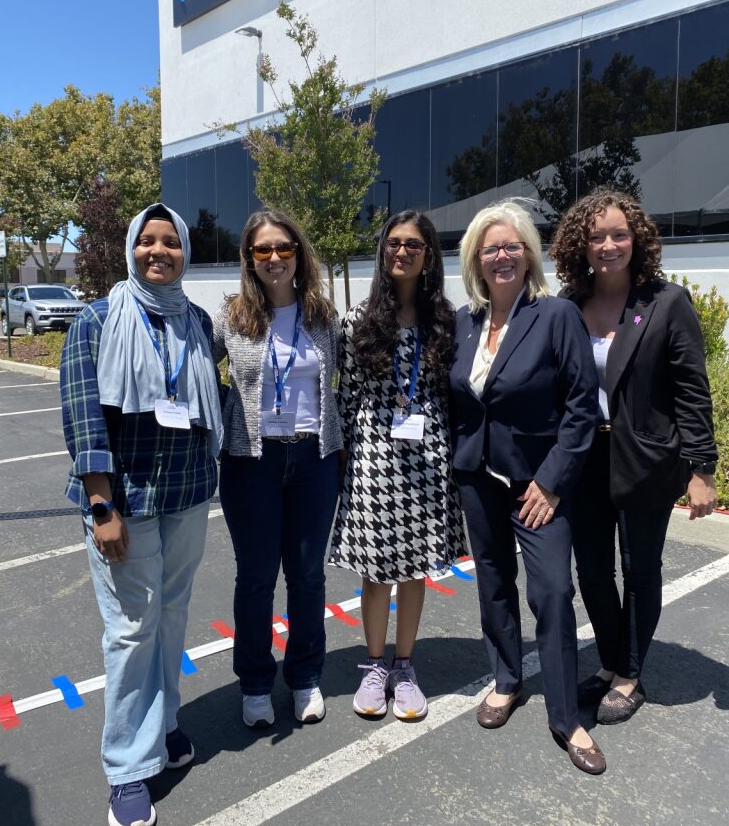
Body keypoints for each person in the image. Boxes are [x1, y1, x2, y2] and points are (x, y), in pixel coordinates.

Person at [60, 203, 223, 826]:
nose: (159, 252)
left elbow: (212, 399)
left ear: (184, 250)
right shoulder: (98, 320)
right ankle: (128, 767)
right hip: (125, 500)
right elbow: (84, 417)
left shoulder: (198, 322)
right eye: (147, 242)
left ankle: (165, 724)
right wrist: (102, 506)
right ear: (131, 249)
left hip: (185, 494)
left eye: (170, 243)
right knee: (131, 630)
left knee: (172, 613)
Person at [449, 200, 606, 774]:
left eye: (512, 245)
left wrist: (553, 481)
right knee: (493, 583)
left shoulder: (556, 315)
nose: (501, 256)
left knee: (552, 593)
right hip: (478, 479)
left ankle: (568, 717)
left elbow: (582, 408)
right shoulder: (465, 321)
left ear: (529, 254)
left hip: (539, 485)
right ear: (475, 259)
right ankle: (507, 678)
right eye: (490, 248)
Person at [551, 188, 718, 724]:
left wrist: (701, 469)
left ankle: (628, 674)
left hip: (645, 457)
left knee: (639, 569)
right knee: (594, 571)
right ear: (581, 244)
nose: (608, 245)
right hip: (585, 457)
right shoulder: (568, 306)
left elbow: (692, 389)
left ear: (637, 238)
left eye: (618, 234)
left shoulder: (665, 303)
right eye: (596, 236)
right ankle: (608, 661)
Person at [330, 210, 466, 721]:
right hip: (373, 458)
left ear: (428, 254)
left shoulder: (445, 321)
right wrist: (345, 461)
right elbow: (348, 399)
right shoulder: (357, 320)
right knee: (376, 569)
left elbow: (451, 394)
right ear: (382, 251)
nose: (402, 251)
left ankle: (404, 665)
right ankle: (373, 664)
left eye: (413, 244)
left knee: (414, 570)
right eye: (393, 243)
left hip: (429, 459)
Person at [213, 209, 341, 729]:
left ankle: (305, 676)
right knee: (257, 578)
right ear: (249, 258)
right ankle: (256, 683)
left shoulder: (322, 316)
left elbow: (344, 384)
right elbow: (192, 368)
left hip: (313, 458)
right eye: (261, 250)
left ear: (298, 253)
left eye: (283, 248)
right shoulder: (230, 316)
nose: (273, 259)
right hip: (252, 463)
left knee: (308, 578)